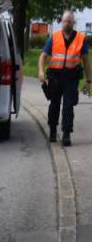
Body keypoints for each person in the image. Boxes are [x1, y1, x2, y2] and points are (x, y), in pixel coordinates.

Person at [39, 10, 92, 146]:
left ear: (74, 22)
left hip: (71, 78)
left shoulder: (81, 38)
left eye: (69, 21)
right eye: (64, 21)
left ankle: (66, 134)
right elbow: (43, 56)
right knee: (54, 105)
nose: (66, 23)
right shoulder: (54, 37)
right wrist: (40, 72)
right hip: (55, 77)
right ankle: (52, 130)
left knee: (68, 107)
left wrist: (88, 80)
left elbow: (86, 61)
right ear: (61, 21)